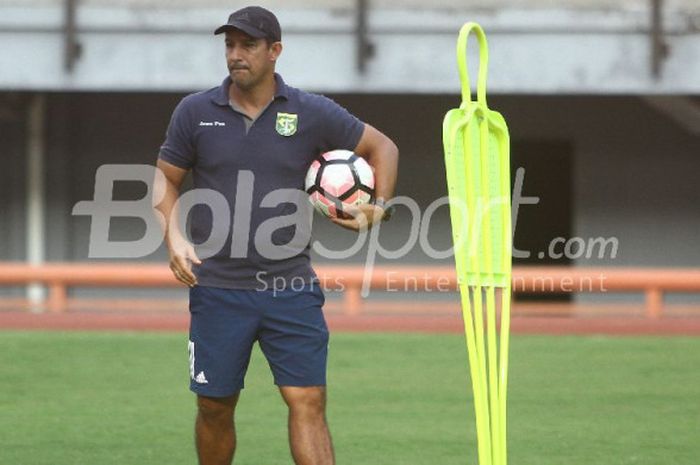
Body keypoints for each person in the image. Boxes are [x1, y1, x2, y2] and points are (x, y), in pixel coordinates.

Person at [154, 6, 398, 465]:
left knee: (307, 400)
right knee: (214, 406)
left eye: (247, 45)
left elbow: (382, 146)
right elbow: (165, 179)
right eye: (229, 45)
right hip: (218, 287)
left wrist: (377, 210)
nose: (235, 55)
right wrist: (175, 236)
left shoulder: (312, 112)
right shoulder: (194, 112)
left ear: (275, 51)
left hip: (290, 285)